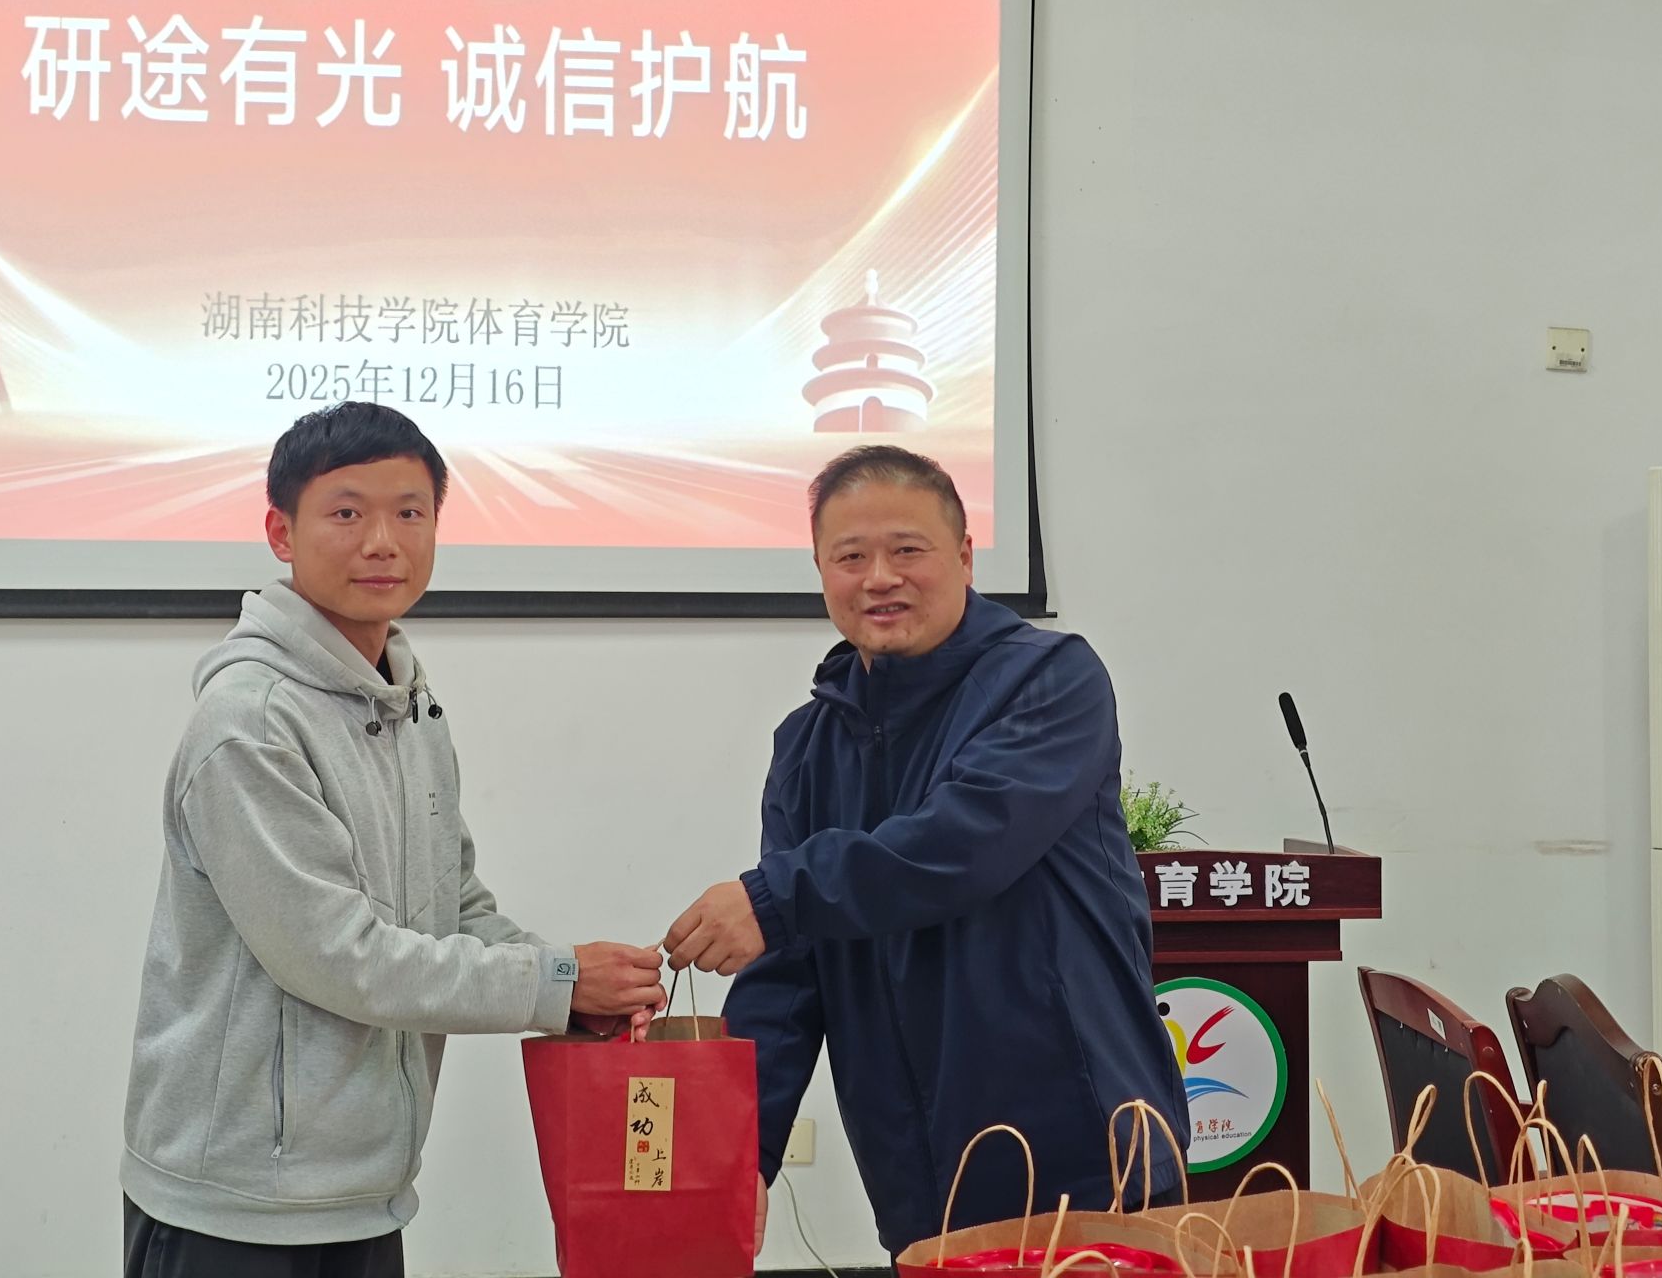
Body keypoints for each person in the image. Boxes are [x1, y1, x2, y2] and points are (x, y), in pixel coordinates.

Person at [121, 402, 665, 1277]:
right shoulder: (249, 723)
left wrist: (571, 985)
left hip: (364, 1188)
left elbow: (456, 903)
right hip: (238, 1203)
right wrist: (553, 982)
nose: (383, 541)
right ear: (280, 532)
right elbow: (340, 959)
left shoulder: (408, 702)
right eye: (347, 512)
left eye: (410, 512)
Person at [664, 445, 1186, 1262]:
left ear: (966, 556)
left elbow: (961, 846)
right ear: (820, 570)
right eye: (851, 557)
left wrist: (771, 897)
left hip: (1085, 1156)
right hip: (918, 1175)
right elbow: (789, 975)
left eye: (907, 549)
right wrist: (741, 1157)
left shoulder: (1050, 681)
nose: (880, 577)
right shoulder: (806, 747)